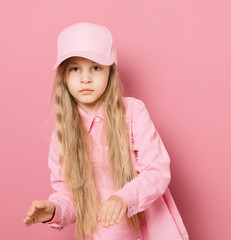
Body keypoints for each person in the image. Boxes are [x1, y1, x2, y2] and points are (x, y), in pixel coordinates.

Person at [22, 22, 189, 240]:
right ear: (63, 76)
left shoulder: (132, 113)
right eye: (75, 69)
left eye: (96, 67)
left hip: (155, 232)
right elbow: (69, 198)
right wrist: (53, 210)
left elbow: (156, 171)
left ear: (110, 72)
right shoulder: (61, 137)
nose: (85, 78)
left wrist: (123, 198)